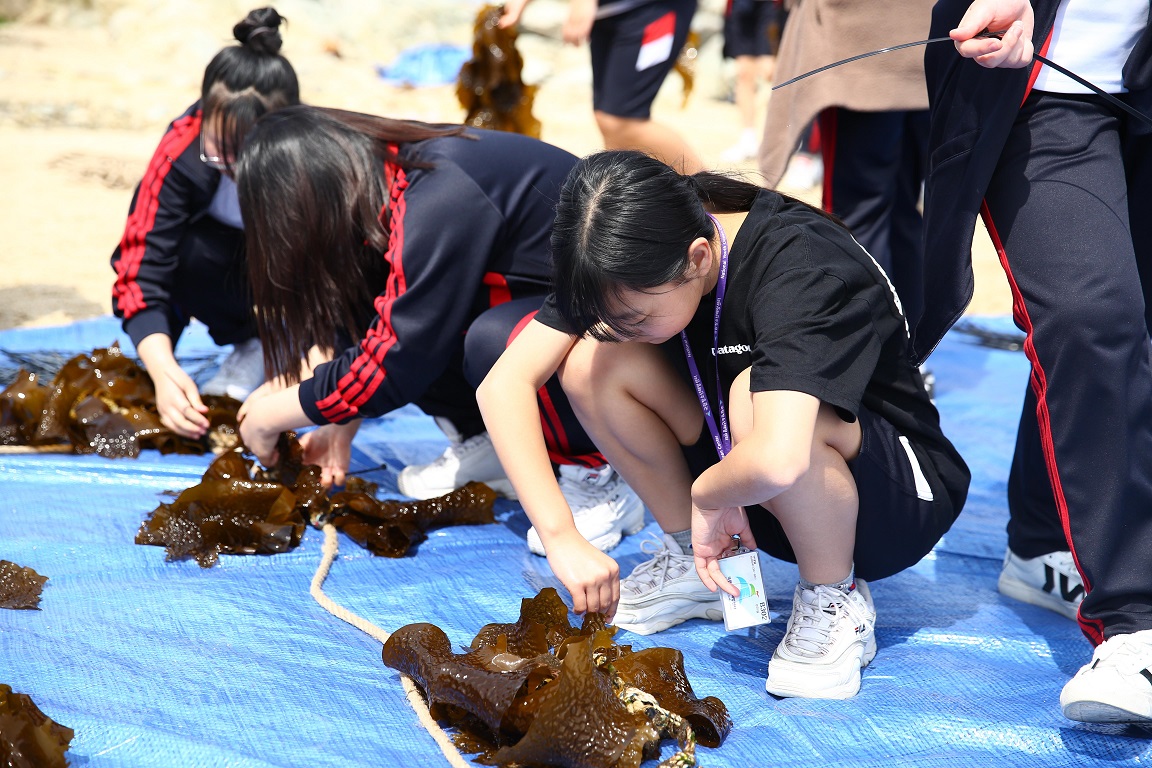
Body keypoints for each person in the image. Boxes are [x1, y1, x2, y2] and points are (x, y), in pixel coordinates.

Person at [478, 150, 970, 698]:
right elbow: (503, 385)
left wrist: (709, 493)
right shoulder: (635, 242)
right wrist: (561, 535)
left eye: (637, 318)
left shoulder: (799, 263)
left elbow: (781, 456)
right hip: (747, 481)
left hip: (888, 497)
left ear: (697, 257)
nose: (625, 328)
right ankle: (696, 562)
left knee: (753, 394)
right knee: (596, 361)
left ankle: (833, 595)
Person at [233, 105, 644, 555]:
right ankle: (483, 440)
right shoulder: (387, 177)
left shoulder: (438, 191)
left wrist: (270, 416)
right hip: (541, 299)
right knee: (415, 311)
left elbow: (396, 360)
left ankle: (599, 473)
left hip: (620, 320)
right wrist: (338, 422)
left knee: (493, 341)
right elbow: (381, 319)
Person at [917, 0, 1152, 724]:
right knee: (1091, 318)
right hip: (1039, 81)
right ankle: (1134, 624)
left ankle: (1043, 536)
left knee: (1130, 322)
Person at [111, 7, 299, 438]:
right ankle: (248, 342)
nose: (233, 167)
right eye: (219, 152)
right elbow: (141, 265)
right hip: (218, 272)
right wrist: (162, 370)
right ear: (203, 122)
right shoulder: (182, 148)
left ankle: (278, 350)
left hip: (284, 282)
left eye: (248, 155)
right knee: (183, 251)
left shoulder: (307, 154)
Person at [758, 0, 931, 330]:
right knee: (902, 210)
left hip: (861, 44)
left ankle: (876, 354)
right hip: (925, 46)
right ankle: (911, 348)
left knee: (856, 218)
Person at [498, 0, 703, 174]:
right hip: (609, 13)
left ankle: (714, 194)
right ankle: (632, 199)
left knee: (623, 119)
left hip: (652, 9)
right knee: (606, 118)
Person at [718, 0, 786, 163]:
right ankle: (748, 138)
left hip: (772, 5)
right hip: (741, 6)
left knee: (772, 71)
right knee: (744, 73)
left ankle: (781, 143)